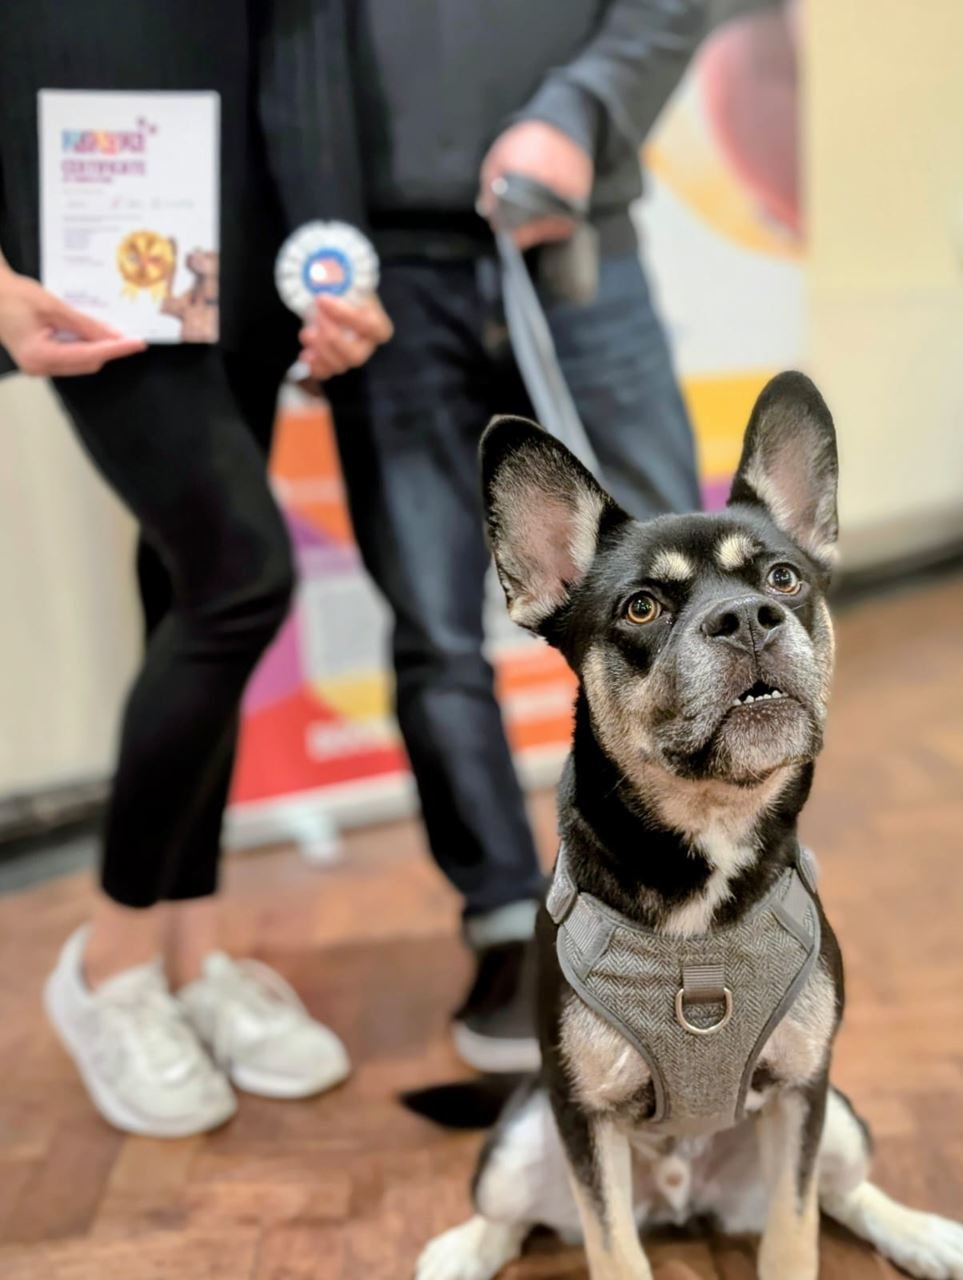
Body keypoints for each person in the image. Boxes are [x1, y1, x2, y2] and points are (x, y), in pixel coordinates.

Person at [0, 0, 391, 1136]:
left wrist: (330, 245)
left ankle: (189, 952)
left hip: (248, 220)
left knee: (188, 579)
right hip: (83, 221)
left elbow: (309, 28)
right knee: (240, 576)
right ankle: (108, 966)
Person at [300, 0, 708, 1071]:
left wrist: (577, 111)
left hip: (576, 237)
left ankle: (690, 903)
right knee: (434, 626)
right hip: (379, 268)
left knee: (682, 601)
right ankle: (503, 922)